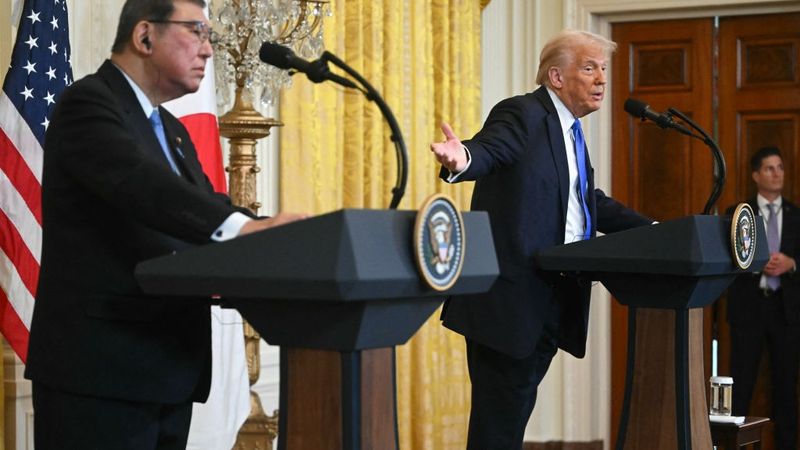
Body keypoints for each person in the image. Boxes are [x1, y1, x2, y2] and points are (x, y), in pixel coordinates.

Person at [24, 1, 304, 449]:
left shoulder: (171, 127)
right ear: (145, 36)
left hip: (168, 372)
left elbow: (202, 207)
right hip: (101, 375)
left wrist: (282, 237)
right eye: (197, 31)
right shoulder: (87, 104)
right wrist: (242, 228)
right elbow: (143, 186)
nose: (208, 50)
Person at [430, 29, 653, 449]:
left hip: (552, 298)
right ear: (555, 76)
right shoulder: (523, 114)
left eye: (603, 69)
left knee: (510, 423)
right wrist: (463, 158)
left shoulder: (571, 134)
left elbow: (587, 203)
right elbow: (489, 150)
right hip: (509, 304)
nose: (601, 79)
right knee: (497, 430)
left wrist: (655, 232)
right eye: (589, 68)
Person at [726, 146, 799, 450]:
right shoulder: (738, 214)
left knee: (786, 388)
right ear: (756, 175)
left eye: (780, 167)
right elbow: (728, 258)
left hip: (786, 312)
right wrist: (757, 263)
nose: (776, 173)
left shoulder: (796, 215)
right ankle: (735, 445)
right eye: (769, 168)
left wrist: (792, 263)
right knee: (741, 385)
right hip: (749, 310)